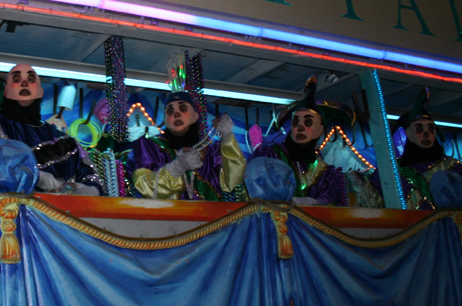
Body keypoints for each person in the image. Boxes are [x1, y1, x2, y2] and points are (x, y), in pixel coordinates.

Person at [0, 63, 101, 195]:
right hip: (8, 215)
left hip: (62, 216)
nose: (24, 83)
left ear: (40, 92)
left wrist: (89, 189)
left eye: (31, 79)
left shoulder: (66, 141)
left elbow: (93, 177)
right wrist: (36, 175)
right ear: (6, 91)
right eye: (16, 79)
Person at [248, 76, 353, 206]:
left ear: (319, 131)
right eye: (296, 122)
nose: (300, 127)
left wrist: (315, 203)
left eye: (308, 122)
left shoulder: (325, 173)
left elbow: (329, 207)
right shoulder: (269, 154)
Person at [128, 91, 245, 201]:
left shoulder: (209, 151)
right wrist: (176, 168)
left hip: (212, 219)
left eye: (183, 109)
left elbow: (234, 182)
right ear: (165, 119)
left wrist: (227, 138)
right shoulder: (150, 146)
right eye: (170, 111)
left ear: (195, 116)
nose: (176, 114)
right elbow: (143, 186)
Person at [370, 88, 462, 208]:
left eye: (430, 129)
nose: (426, 133)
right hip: (408, 226)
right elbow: (375, 203)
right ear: (408, 134)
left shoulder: (454, 167)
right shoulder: (391, 171)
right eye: (419, 129)